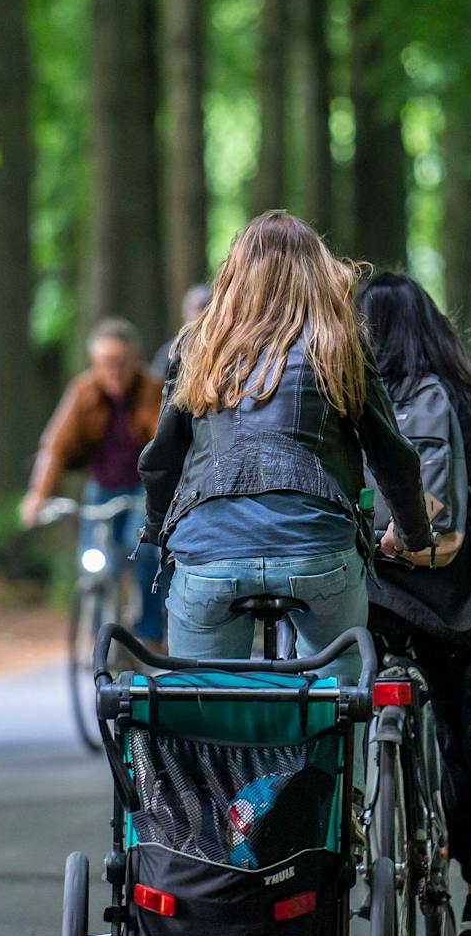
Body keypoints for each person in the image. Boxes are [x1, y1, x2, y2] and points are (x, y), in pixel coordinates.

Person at [138, 212, 434, 678]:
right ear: (318, 273)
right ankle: (334, 745)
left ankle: (213, 745)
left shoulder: (199, 347)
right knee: (341, 695)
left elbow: (162, 459)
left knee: (201, 700)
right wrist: (414, 534)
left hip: (209, 552)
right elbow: (391, 453)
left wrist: (157, 531)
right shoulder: (338, 344)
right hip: (317, 549)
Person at [359, 273, 471, 936]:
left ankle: (349, 850)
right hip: (448, 600)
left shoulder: (338, 398)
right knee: (464, 742)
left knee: (347, 711)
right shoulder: (454, 398)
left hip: (366, 594)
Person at [21, 318, 167, 641]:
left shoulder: (151, 391)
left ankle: (151, 632)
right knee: (93, 557)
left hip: (142, 489)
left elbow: (166, 449)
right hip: (101, 487)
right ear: (94, 364)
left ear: (135, 360)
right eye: (105, 363)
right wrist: (37, 496)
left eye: (121, 362)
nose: (113, 371)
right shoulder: (83, 392)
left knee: (141, 549)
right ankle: (99, 629)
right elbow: (55, 447)